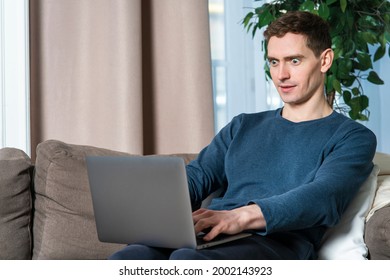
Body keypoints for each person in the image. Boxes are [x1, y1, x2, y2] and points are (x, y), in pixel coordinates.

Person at [109, 10, 376, 260]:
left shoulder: (352, 137)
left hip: (277, 243)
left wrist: (240, 217)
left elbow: (323, 198)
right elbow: (198, 177)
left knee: (186, 261)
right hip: (215, 232)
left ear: (325, 60)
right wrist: (153, 205)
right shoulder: (243, 126)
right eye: (274, 62)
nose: (281, 75)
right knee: (131, 257)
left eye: (294, 61)